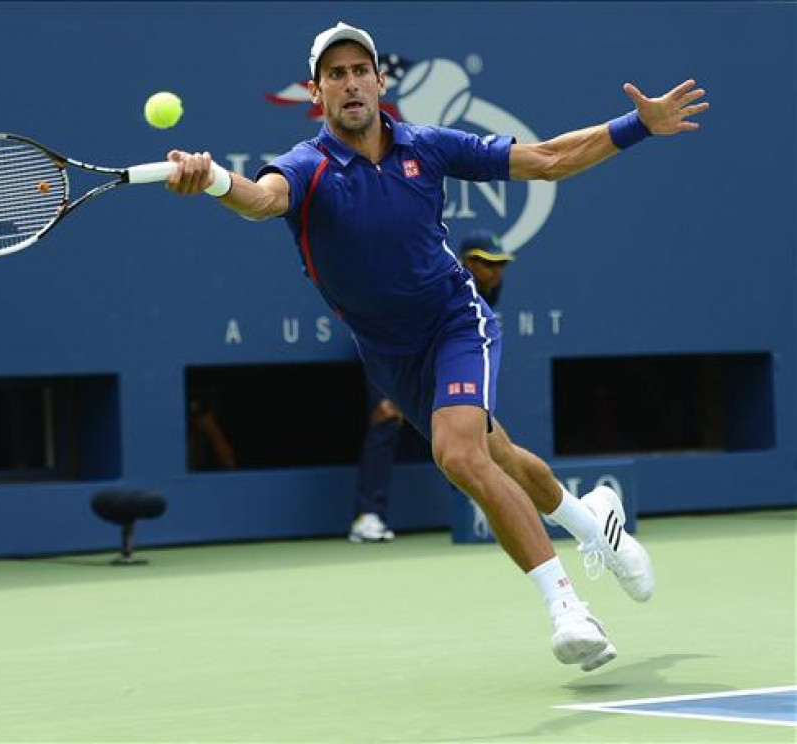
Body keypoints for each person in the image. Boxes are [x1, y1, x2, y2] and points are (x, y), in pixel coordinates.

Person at [164, 21, 708, 671]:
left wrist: (637, 125)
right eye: (334, 75)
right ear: (317, 94)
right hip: (391, 356)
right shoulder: (305, 168)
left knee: (458, 453)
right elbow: (259, 200)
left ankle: (567, 607)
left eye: (359, 69)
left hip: (455, 322)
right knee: (499, 455)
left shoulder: (428, 146)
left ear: (379, 80)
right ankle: (596, 523)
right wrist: (216, 181)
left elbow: (548, 160)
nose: (350, 82)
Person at [349, 228, 514, 544]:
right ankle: (367, 515)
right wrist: (392, 394)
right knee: (385, 418)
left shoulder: (489, 290)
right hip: (388, 346)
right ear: (468, 263)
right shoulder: (434, 279)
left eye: (500, 265)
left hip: (440, 353)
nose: (496, 272)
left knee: (468, 426)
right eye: (488, 264)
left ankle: (474, 506)